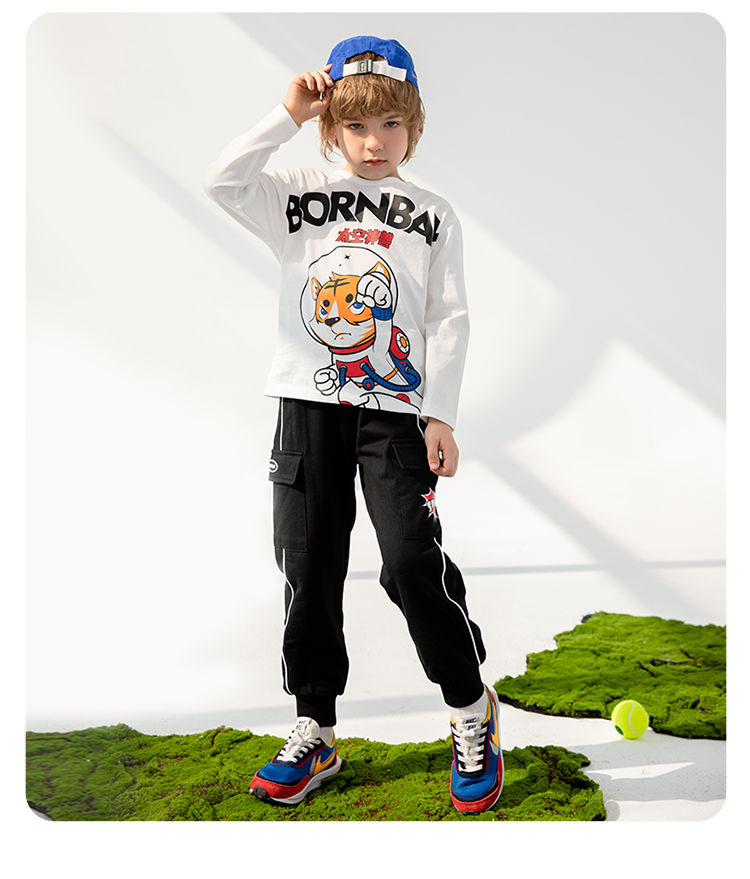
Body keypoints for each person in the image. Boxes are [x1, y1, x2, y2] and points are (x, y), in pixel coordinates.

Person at [204, 35, 503, 815]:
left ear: (414, 127)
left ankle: (470, 706)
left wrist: (440, 414)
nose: (375, 143)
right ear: (332, 129)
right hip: (305, 409)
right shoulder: (296, 193)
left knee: (409, 560)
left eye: (391, 125)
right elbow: (221, 179)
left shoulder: (433, 215)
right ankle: (316, 727)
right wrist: (287, 115)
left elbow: (447, 318)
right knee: (309, 566)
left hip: (396, 417)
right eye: (357, 126)